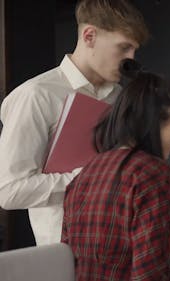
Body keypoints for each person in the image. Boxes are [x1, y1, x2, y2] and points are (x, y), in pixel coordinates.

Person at [0, 0, 149, 245]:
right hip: (66, 257)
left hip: (120, 246)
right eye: (123, 48)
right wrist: (86, 178)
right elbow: (9, 191)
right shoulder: (36, 95)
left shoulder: (120, 97)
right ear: (89, 36)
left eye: (134, 50)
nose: (131, 60)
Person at [62, 63, 170, 281]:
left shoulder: (86, 173)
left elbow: (65, 260)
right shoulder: (153, 174)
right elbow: (148, 275)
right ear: (157, 118)